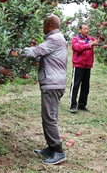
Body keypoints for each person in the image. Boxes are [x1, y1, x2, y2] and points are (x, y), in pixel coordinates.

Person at [24, 15, 68, 165]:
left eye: (44, 25)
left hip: (52, 84)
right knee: (49, 117)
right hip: (55, 83)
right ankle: (51, 147)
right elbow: (45, 55)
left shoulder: (54, 39)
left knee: (49, 118)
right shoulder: (59, 38)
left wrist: (16, 51)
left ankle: (59, 151)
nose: (43, 28)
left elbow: (36, 51)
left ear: (49, 25)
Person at [69, 23, 99, 113]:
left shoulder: (90, 39)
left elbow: (98, 41)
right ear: (80, 30)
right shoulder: (75, 39)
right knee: (75, 85)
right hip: (78, 65)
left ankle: (82, 105)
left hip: (87, 66)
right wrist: (89, 45)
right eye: (84, 29)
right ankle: (73, 105)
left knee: (85, 86)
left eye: (87, 29)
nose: (86, 30)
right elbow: (77, 48)